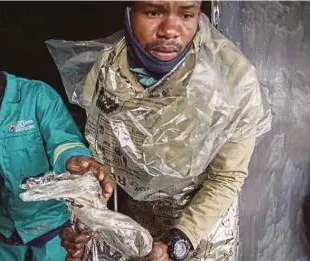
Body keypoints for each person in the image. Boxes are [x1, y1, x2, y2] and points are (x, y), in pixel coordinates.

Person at [55, 1, 271, 261]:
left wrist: (179, 241)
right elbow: (105, 163)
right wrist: (87, 221)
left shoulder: (233, 79)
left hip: (203, 229)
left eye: (187, 15)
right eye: (153, 12)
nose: (170, 30)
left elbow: (226, 177)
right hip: (138, 222)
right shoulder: (107, 72)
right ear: (129, 13)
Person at [0, 33, 112, 261]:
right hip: (7, 223)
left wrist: (73, 159)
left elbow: (63, 141)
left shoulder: (36, 96)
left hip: (52, 223)